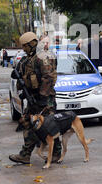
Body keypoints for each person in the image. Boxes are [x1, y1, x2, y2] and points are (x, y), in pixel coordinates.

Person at [9, 32, 62, 164]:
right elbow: (21, 73)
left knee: (49, 126)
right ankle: (25, 154)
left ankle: (56, 153)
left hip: (45, 99)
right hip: (33, 97)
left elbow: (49, 78)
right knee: (27, 123)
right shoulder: (29, 58)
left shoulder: (43, 57)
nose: (23, 49)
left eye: (25, 46)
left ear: (32, 43)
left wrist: (41, 97)